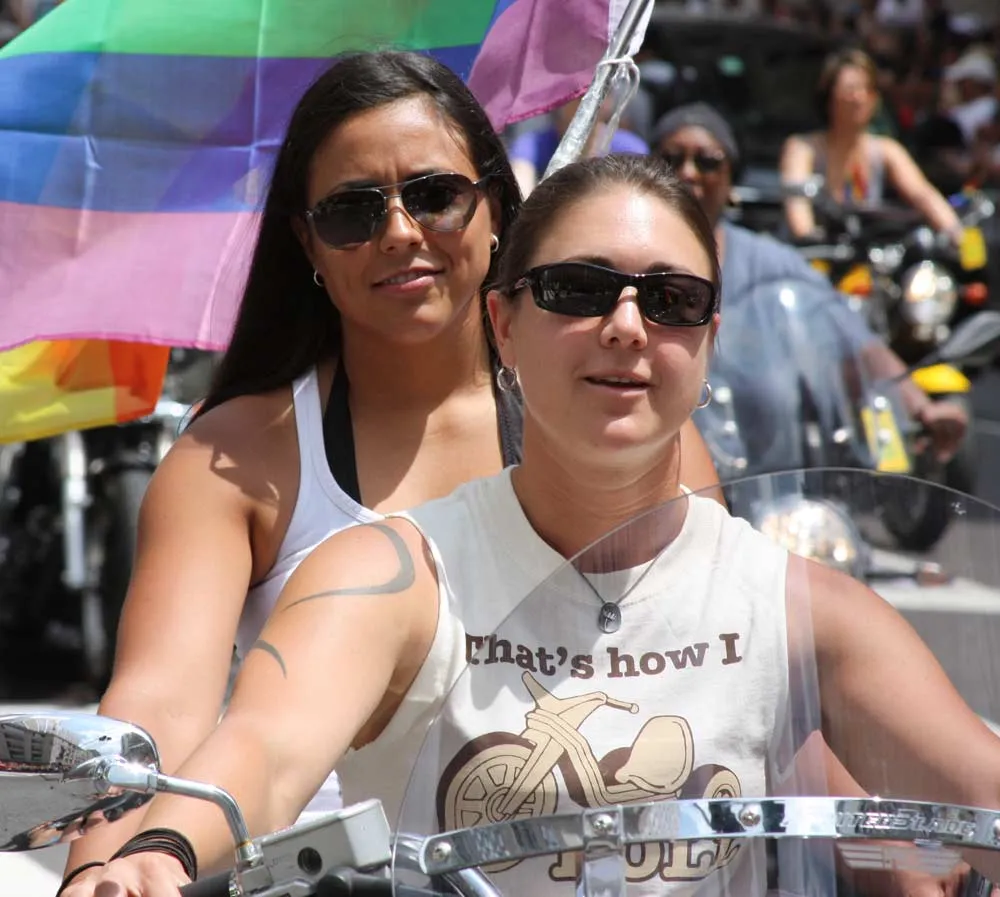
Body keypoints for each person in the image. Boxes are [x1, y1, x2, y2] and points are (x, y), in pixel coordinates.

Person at [70, 153, 1000, 897]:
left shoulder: (794, 601)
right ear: (503, 325)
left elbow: (978, 789)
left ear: (709, 341)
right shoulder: (393, 573)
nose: (627, 325)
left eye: (673, 300)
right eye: (578, 290)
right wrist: (158, 853)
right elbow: (266, 750)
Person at [57, 50, 724, 896]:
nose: (401, 232)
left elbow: (739, 665)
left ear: (495, 209)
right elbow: (157, 711)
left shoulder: (625, 424)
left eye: (436, 194)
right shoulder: (232, 459)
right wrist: (105, 873)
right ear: (307, 243)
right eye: (352, 211)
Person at [652, 102, 968, 463]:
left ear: (731, 179)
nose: (688, 172)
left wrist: (920, 407)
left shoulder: (771, 262)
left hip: (762, 482)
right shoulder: (629, 255)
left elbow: (853, 340)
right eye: (671, 159)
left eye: (708, 161)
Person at [780, 47, 963, 242]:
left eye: (866, 89)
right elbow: (798, 210)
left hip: (864, 255)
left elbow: (923, 194)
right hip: (814, 255)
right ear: (829, 96)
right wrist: (808, 235)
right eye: (850, 89)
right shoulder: (802, 148)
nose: (859, 98)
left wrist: (958, 237)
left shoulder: (886, 150)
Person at [508, 91, 649, 197]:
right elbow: (521, 191)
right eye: (579, 96)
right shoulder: (532, 144)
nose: (587, 102)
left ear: (609, 102)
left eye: (598, 94)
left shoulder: (630, 148)